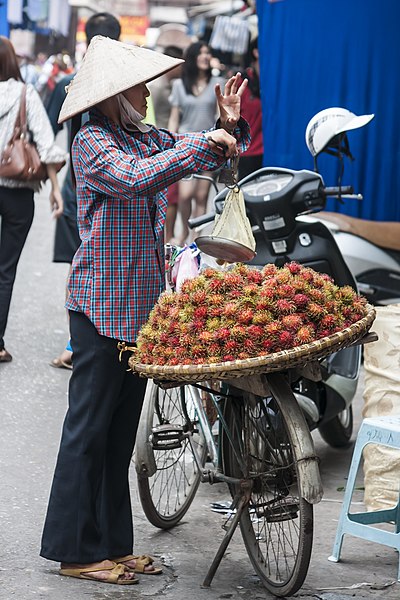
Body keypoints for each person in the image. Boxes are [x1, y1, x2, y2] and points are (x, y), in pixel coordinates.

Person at [39, 35, 249, 585]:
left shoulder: (142, 136)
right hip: (100, 309)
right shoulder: (93, 144)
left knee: (116, 433)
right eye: (139, 85)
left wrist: (229, 130)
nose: (149, 92)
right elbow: (140, 180)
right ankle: (74, 549)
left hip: (139, 311)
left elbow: (189, 147)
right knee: (86, 430)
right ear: (113, 94)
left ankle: (111, 542)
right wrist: (209, 143)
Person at [46, 12, 122, 370]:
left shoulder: (71, 83)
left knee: (81, 265)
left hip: (77, 187)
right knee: (100, 266)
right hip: (112, 190)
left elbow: (48, 131)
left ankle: (76, 343)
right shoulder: (122, 85)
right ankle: (87, 342)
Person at [0, 36, 65, 364]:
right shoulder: (25, 93)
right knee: (5, 269)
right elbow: (47, 144)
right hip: (17, 193)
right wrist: (55, 188)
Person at [168, 41, 225, 244]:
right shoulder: (179, 85)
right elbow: (175, 117)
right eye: (200, 53)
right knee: (185, 195)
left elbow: (220, 115)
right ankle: (184, 230)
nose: (205, 56)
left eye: (208, 53)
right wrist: (170, 142)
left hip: (209, 145)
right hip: (184, 145)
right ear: (192, 57)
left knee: (201, 197)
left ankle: (195, 238)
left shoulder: (218, 82)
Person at [148, 45, 183, 242]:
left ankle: (168, 235)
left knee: (172, 196)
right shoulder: (157, 87)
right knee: (169, 196)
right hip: (160, 145)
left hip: (166, 143)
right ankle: (166, 236)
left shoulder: (170, 85)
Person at [237, 36, 264, 181]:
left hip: (270, 153)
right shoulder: (243, 81)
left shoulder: (276, 81)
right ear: (256, 52)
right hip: (248, 152)